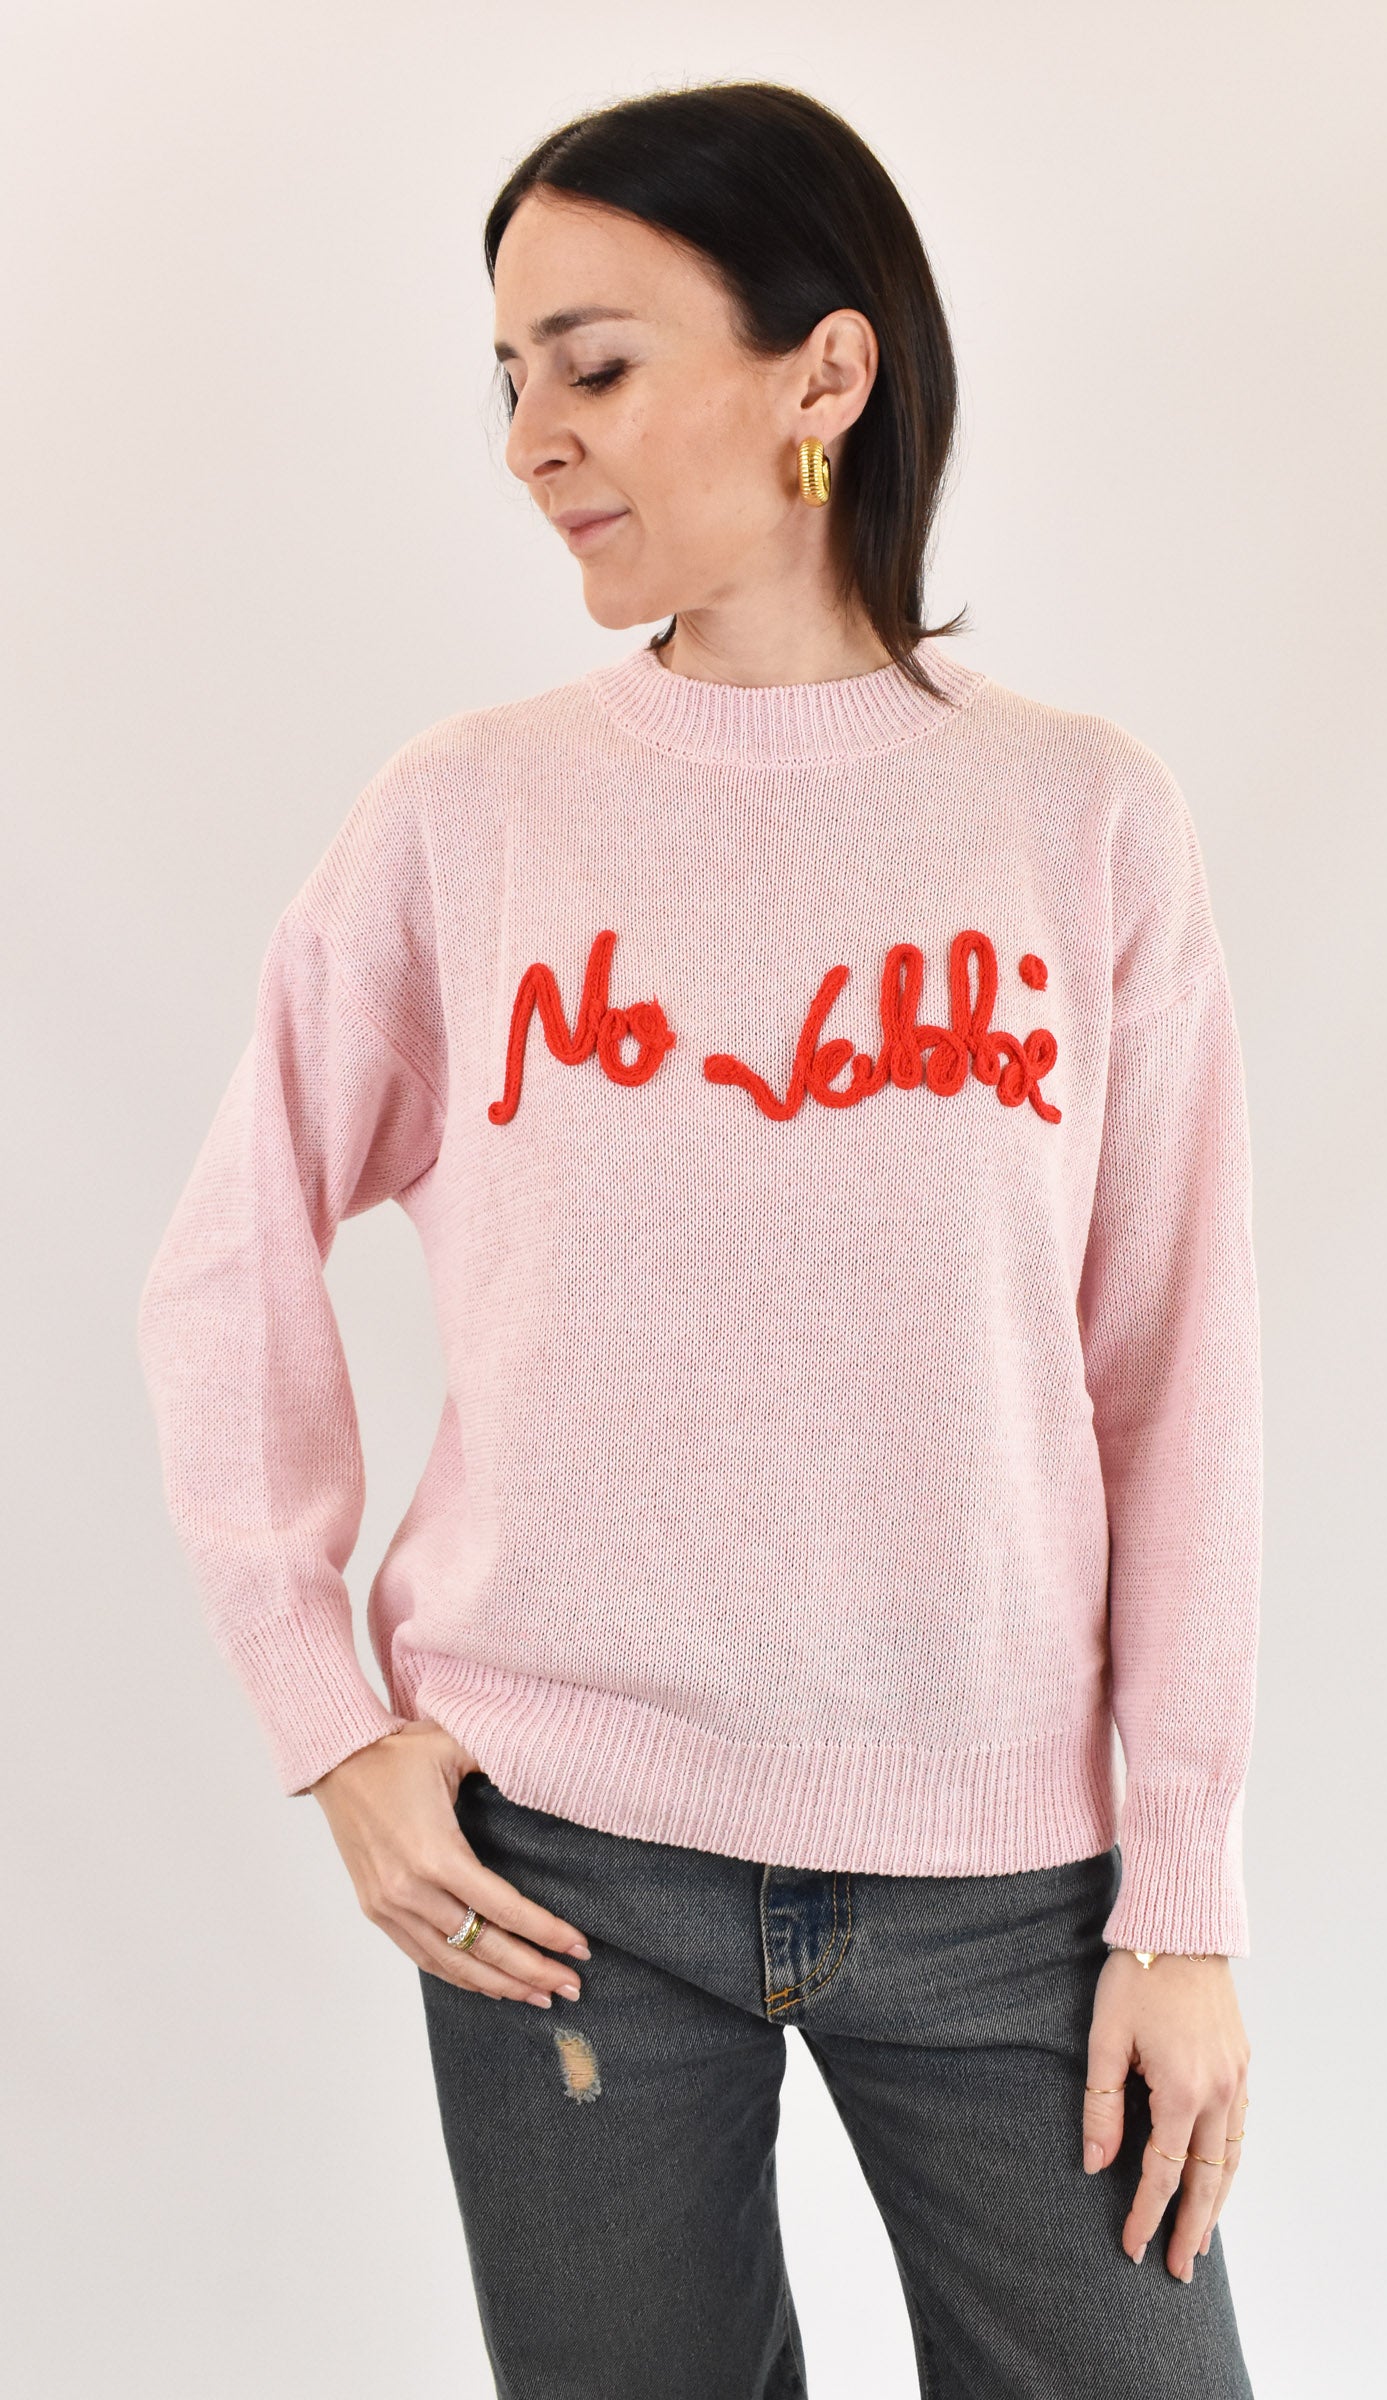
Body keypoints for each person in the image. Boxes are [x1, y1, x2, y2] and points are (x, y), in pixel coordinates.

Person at [137, 79, 1261, 2400]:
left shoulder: (1075, 822)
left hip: (1006, 1885)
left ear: (820, 374)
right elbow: (227, 1260)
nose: (528, 437)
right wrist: (325, 1721)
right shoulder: (467, 820)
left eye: (594, 361)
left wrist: (1182, 1897)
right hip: (557, 1870)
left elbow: (1174, 1382)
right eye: (506, 378)